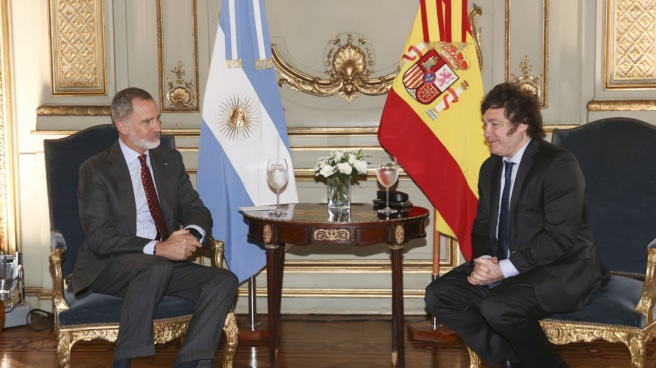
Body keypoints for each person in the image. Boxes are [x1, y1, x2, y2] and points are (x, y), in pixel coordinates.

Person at [424, 82, 609, 368]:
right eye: (485, 123)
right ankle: (510, 361)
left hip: (561, 268)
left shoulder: (558, 164)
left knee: (498, 307)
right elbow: (483, 224)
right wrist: (485, 260)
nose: (487, 132)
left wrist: (502, 269)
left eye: (495, 124)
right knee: (439, 294)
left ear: (522, 125)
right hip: (508, 265)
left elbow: (559, 239)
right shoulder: (491, 168)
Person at [72, 87, 239, 368]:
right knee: (156, 265)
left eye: (158, 119)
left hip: (160, 265)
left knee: (224, 281)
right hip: (110, 266)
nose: (158, 128)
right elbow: (100, 238)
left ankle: (189, 362)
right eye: (147, 122)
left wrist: (191, 236)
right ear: (122, 126)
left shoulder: (168, 161)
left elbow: (196, 209)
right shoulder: (96, 169)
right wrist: (159, 248)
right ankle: (123, 362)